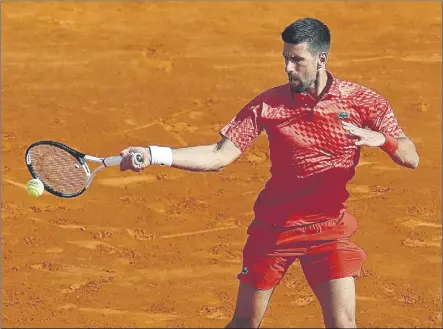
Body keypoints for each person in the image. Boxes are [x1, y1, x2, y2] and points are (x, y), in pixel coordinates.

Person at [119, 18, 419, 329]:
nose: (288, 68)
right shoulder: (267, 105)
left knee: (344, 325)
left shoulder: (362, 101)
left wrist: (384, 140)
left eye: (297, 60)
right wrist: (155, 154)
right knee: (244, 322)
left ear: (321, 59)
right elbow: (219, 155)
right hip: (275, 230)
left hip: (328, 230)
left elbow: (412, 158)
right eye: (285, 58)